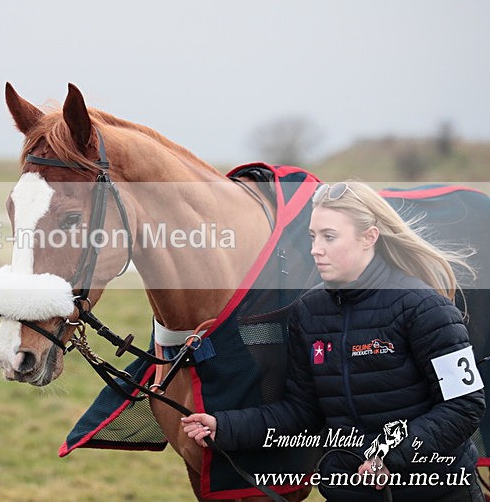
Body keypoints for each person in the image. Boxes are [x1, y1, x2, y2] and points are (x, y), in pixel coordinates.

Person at [181, 181, 485, 501]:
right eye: (313, 237)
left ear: (369, 237)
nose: (315, 249)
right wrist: (224, 426)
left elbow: (464, 406)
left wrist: (392, 457)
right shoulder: (308, 313)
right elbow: (302, 412)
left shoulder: (425, 307)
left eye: (329, 236)